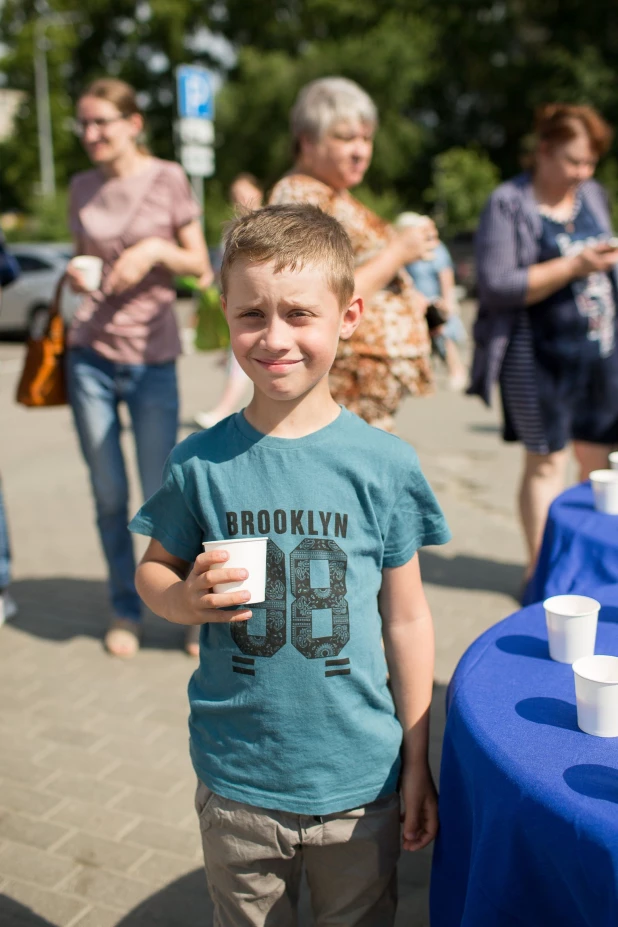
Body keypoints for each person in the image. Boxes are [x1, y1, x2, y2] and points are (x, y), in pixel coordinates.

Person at [129, 204, 451, 925]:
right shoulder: (199, 463)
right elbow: (152, 571)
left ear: (348, 315)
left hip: (361, 782)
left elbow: (406, 615)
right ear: (226, 315)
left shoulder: (386, 465)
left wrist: (417, 754)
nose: (274, 338)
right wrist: (182, 600)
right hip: (238, 778)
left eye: (300, 313)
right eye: (251, 315)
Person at [66, 78, 212, 658]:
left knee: (163, 493)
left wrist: (153, 252)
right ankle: (125, 609)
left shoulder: (168, 177)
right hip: (89, 355)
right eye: (83, 124)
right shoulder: (80, 186)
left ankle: (190, 608)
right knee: (107, 493)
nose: (91, 134)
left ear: (134, 123)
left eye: (102, 121)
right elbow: (87, 262)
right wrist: (78, 276)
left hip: (152, 358)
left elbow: (199, 263)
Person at [470, 103, 618, 584]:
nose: (583, 171)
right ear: (544, 151)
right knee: (546, 462)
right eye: (574, 160)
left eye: (590, 162)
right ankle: (542, 573)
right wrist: (575, 266)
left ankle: (583, 567)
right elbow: (497, 284)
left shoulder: (591, 194)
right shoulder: (507, 203)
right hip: (535, 357)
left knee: (599, 464)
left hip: (600, 351)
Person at [269, 77, 437, 432]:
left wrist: (413, 301)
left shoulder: (335, 194)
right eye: (346, 138)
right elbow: (311, 295)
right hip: (346, 379)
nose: (361, 150)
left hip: (366, 382)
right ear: (307, 141)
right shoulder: (298, 195)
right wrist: (398, 252)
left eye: (366, 138)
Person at [193, 174, 262, 430]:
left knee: (241, 356)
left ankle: (224, 410)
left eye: (245, 194)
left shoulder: (268, 225)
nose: (240, 201)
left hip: (255, 303)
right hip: (234, 300)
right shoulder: (230, 228)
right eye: (235, 196)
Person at [396, 212, 468, 391]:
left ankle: (456, 371)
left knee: (442, 335)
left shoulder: (437, 248)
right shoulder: (405, 248)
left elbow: (445, 275)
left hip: (434, 302)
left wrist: (447, 301)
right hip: (414, 302)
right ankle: (423, 377)